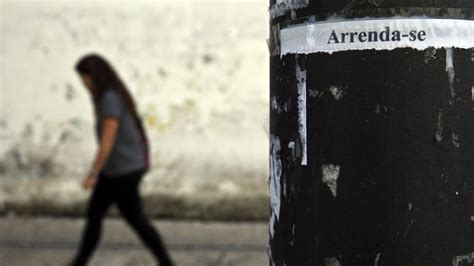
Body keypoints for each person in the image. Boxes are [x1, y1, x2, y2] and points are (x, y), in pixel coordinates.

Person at [70, 54, 174, 266]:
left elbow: (107, 143)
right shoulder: (112, 95)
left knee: (131, 220)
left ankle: (167, 263)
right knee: (101, 217)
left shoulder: (109, 99)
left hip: (123, 171)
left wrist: (93, 173)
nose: (83, 84)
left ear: (92, 77)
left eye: (84, 79)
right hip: (119, 169)